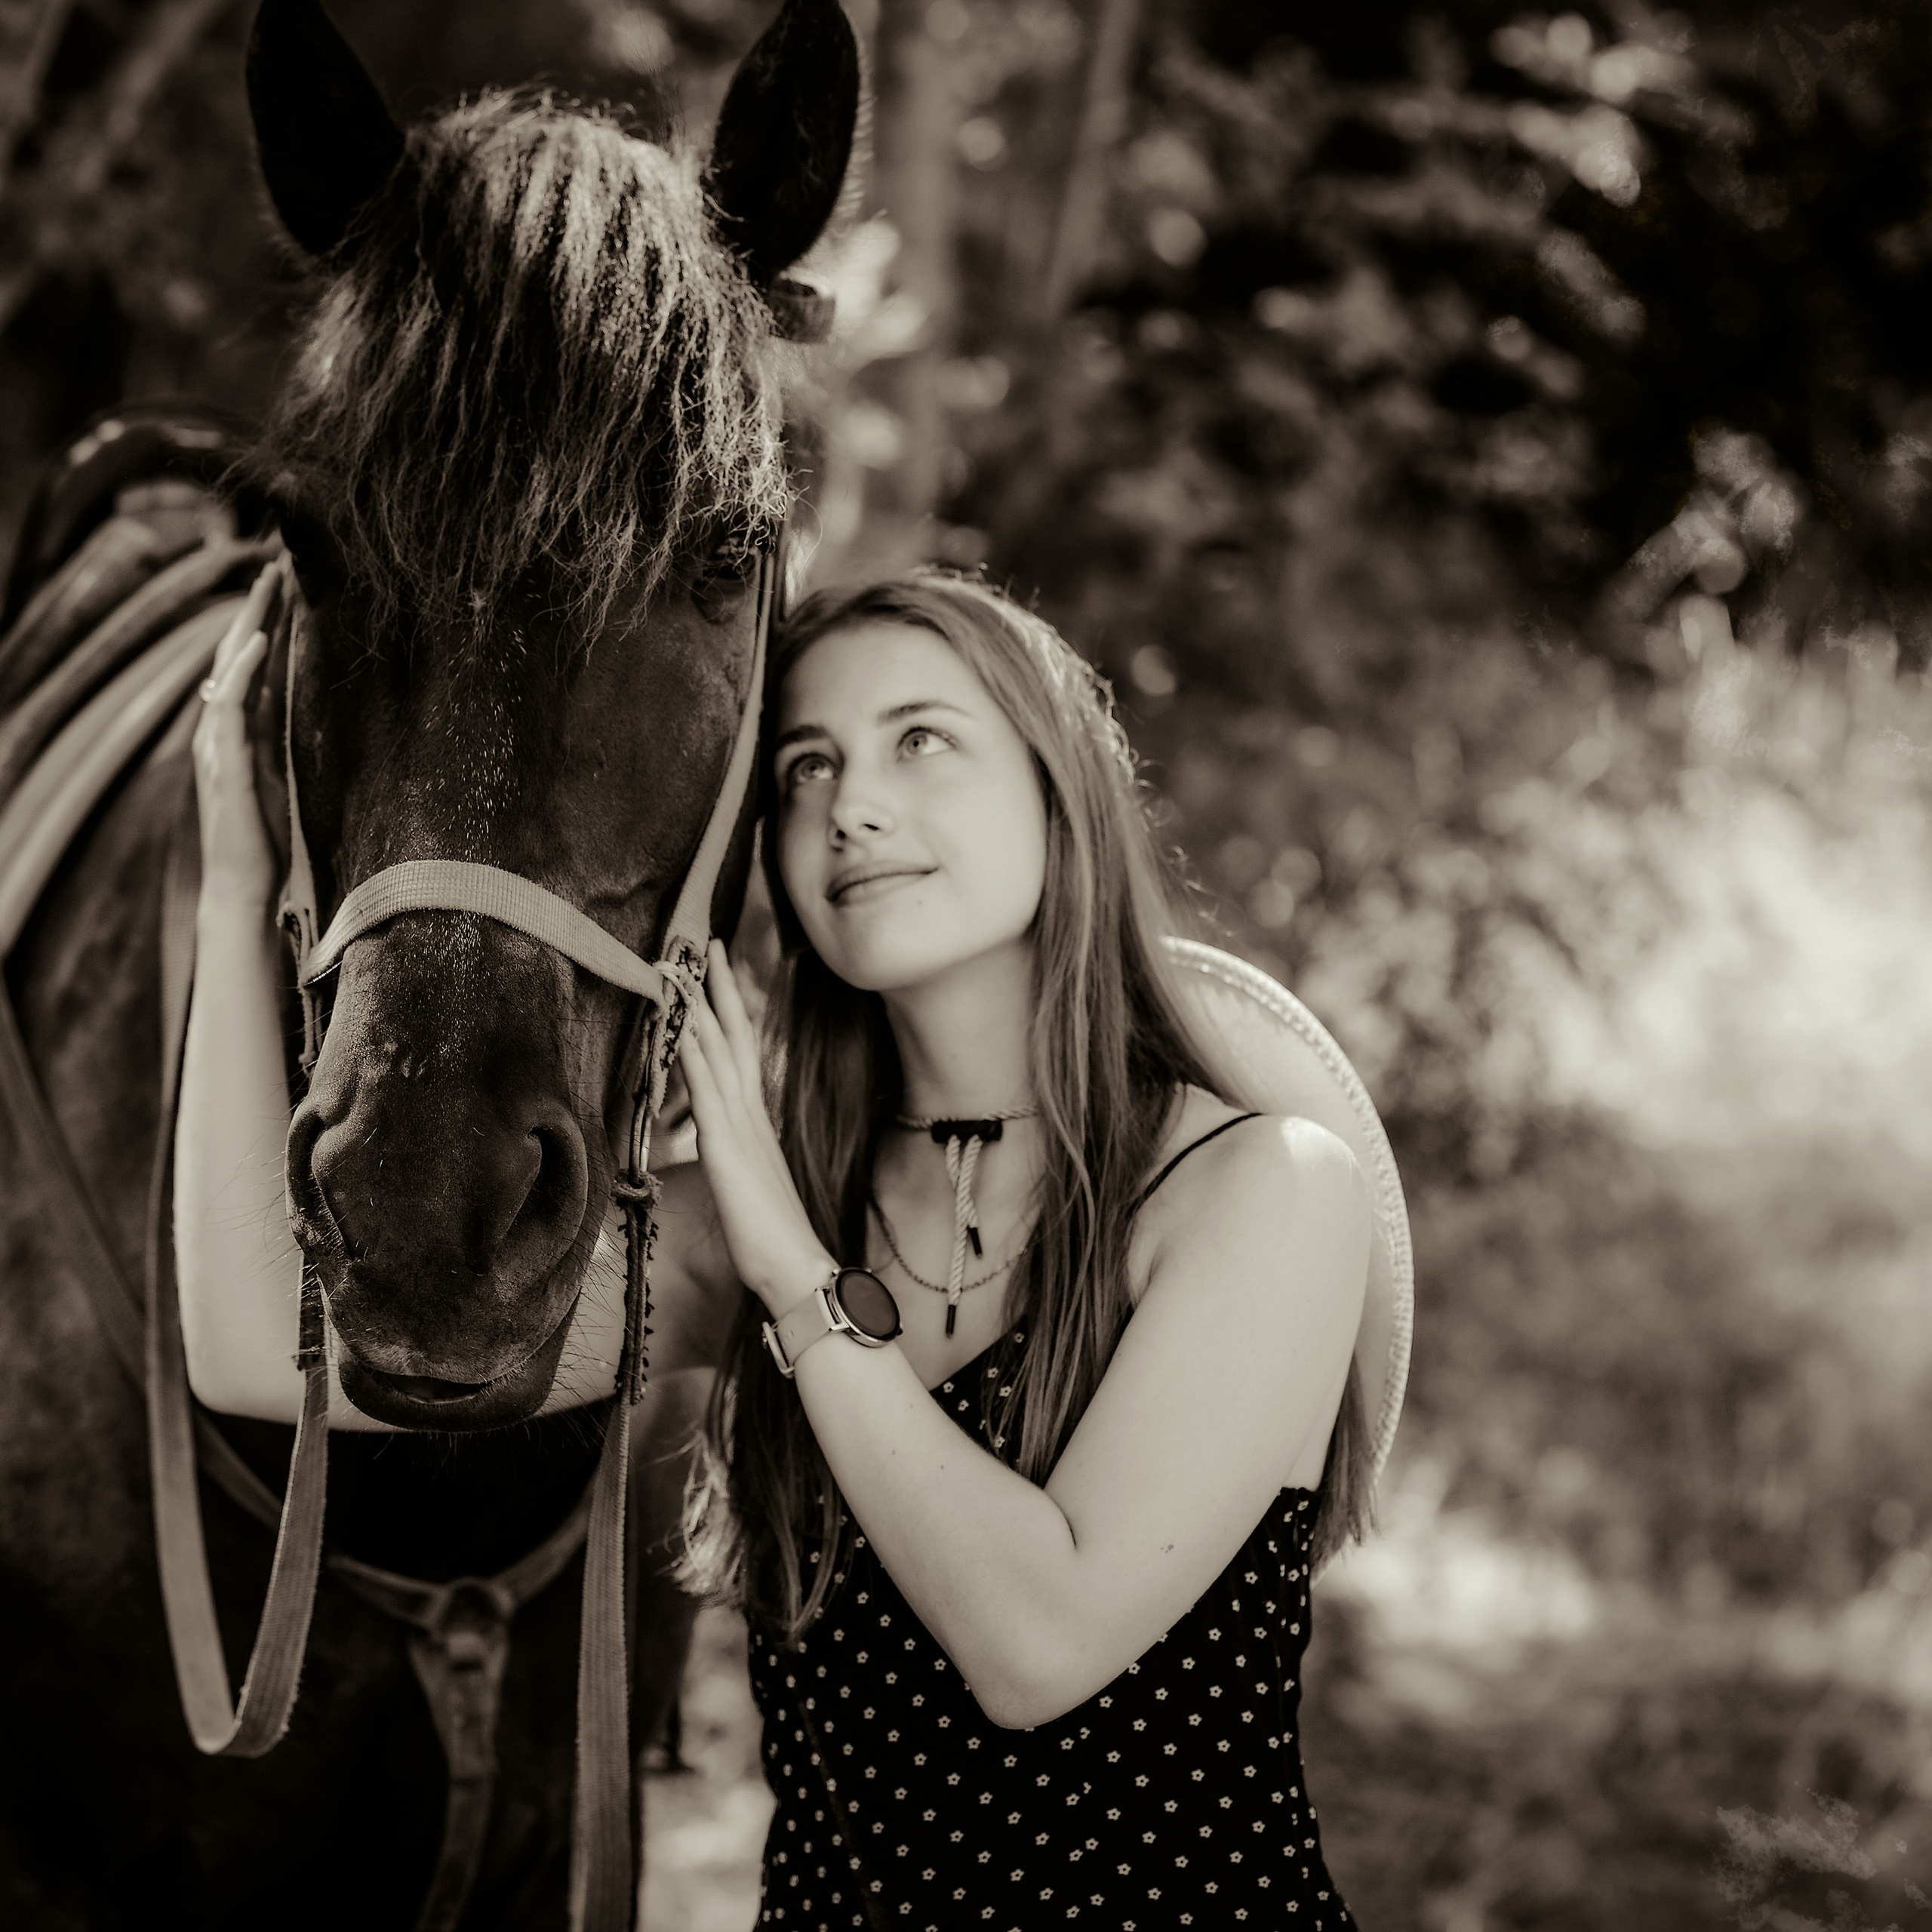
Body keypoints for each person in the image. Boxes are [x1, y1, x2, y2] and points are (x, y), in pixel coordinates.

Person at [181, 565, 1371, 1930]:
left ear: (1060, 791)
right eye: (806, 765)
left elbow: (1038, 1643)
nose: (851, 804)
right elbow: (250, 1345)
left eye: (921, 739)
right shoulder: (750, 1233)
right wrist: (232, 890)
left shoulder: (1265, 1190)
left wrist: (786, 1266)